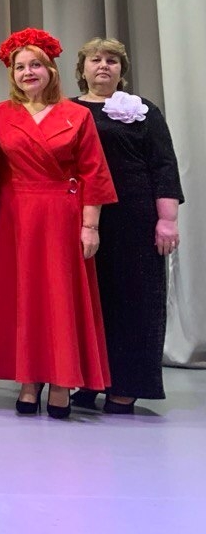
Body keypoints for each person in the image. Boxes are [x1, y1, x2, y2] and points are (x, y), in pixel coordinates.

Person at [0, 28, 117, 420]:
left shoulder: (78, 115)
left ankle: (60, 381)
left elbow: (93, 172)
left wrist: (90, 226)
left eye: (35, 65)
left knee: (60, 298)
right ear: (12, 74)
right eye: (20, 66)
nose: (28, 72)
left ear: (51, 69)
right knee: (24, 296)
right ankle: (28, 379)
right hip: (17, 216)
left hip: (62, 215)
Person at [71, 37, 183, 414]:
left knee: (135, 301)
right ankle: (90, 380)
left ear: (122, 69)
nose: (104, 65)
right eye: (95, 59)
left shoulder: (142, 111)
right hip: (80, 218)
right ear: (82, 68)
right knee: (90, 302)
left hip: (135, 218)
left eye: (112, 60)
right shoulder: (66, 110)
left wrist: (167, 220)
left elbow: (163, 165)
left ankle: (127, 386)